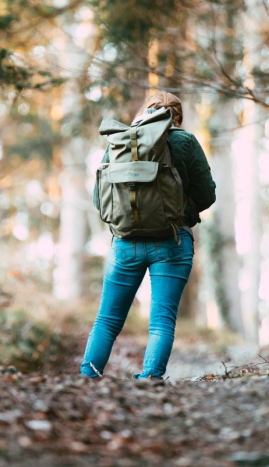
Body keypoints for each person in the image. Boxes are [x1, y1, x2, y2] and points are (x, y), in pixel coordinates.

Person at [81, 91, 217, 379]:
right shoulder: (185, 141)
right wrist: (183, 211)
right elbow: (206, 195)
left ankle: (88, 378)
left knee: (106, 321)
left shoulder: (122, 138)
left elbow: (99, 198)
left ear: (146, 110)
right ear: (177, 117)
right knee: (161, 322)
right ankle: (151, 379)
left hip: (125, 243)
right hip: (173, 241)